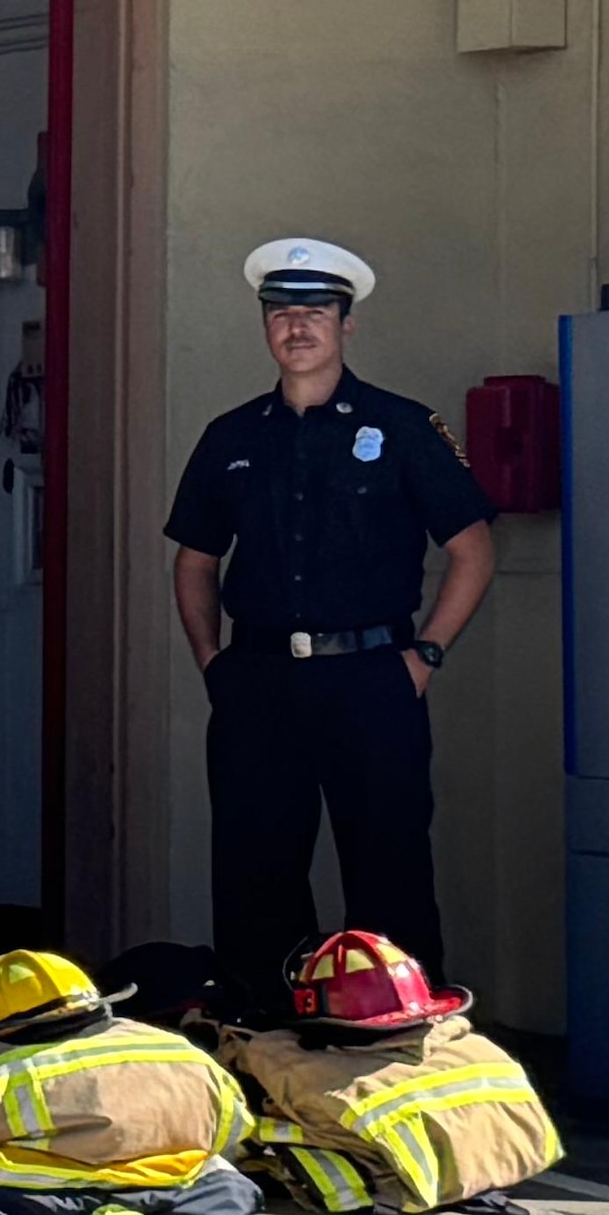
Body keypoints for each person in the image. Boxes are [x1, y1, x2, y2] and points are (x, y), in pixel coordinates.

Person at [166, 235, 497, 998]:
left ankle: (401, 1054)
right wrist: (215, 665)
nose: (297, 325)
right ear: (265, 325)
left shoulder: (403, 427)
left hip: (373, 681)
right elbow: (194, 562)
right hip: (258, 682)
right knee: (256, 884)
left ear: (347, 323)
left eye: (316, 310)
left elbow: (472, 549)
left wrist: (426, 658)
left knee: (391, 883)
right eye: (282, 310)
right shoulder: (233, 437)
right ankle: (263, 1057)